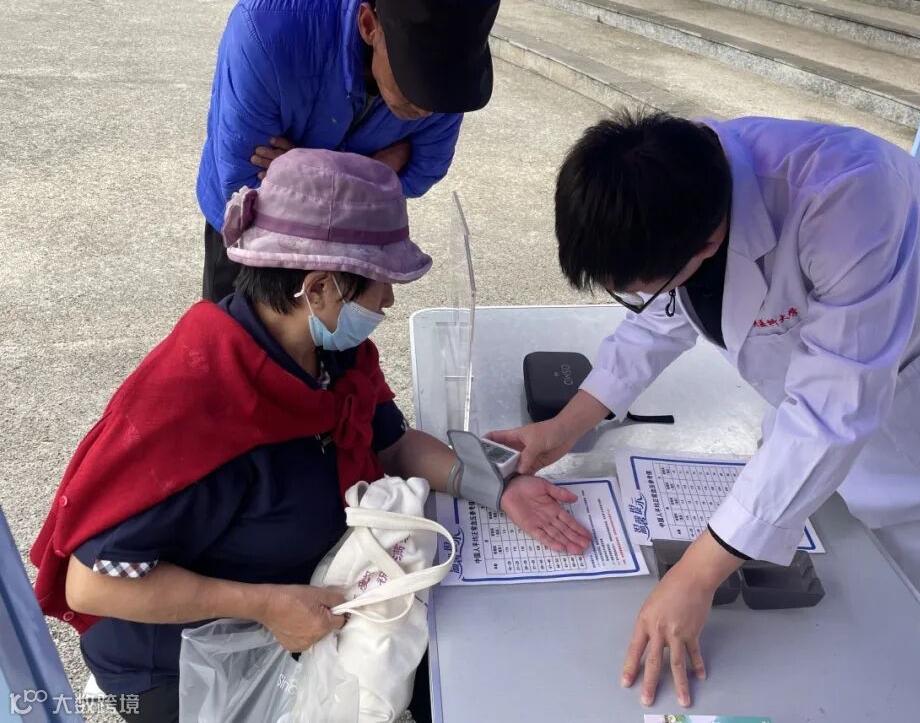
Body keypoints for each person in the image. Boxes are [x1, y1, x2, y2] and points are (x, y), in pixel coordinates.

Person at [489, 112, 920, 708]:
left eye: (644, 285)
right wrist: (565, 426)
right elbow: (661, 314)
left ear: (708, 242)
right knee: (796, 546)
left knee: (872, 612)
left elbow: (832, 411)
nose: (643, 299)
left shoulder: (848, 198)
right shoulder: (667, 181)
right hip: (820, 397)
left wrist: (696, 575)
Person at [32, 150, 591, 723]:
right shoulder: (200, 405)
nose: (389, 301)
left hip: (303, 597)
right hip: (188, 662)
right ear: (319, 287)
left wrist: (497, 488)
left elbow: (393, 444)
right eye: (380, 284)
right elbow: (93, 585)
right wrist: (266, 605)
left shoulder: (327, 352)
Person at [198, 0, 502, 302]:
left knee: (332, 339)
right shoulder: (266, 28)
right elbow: (246, 185)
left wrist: (299, 169)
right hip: (247, 232)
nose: (427, 108)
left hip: (346, 252)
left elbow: (424, 172)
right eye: (415, 81)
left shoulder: (446, 76)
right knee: (232, 334)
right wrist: (378, 168)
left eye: (437, 93)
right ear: (369, 25)